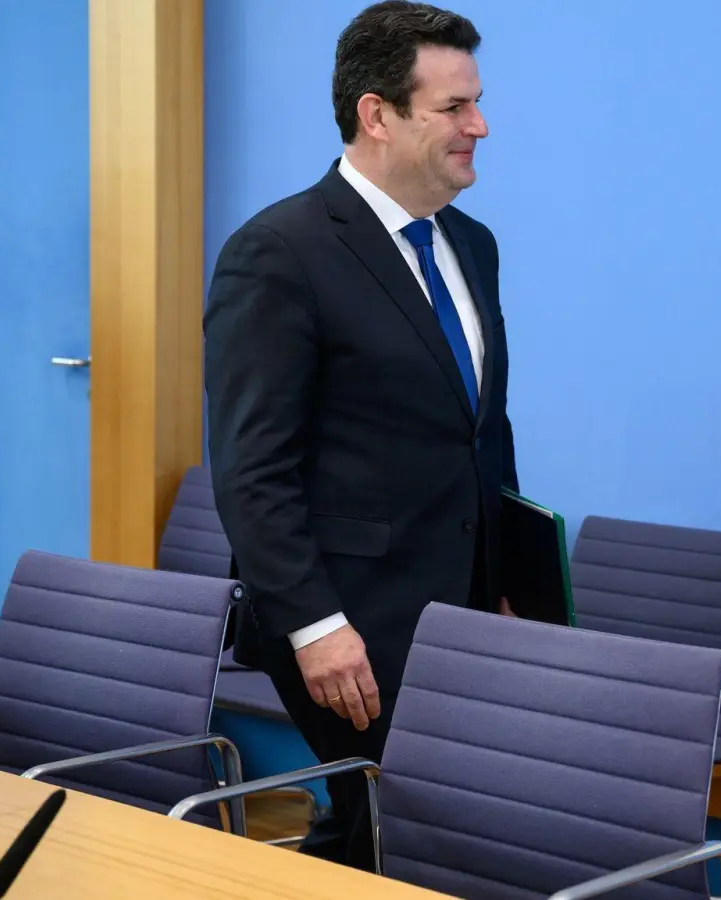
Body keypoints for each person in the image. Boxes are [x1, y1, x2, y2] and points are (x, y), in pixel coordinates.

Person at [204, 0, 516, 870]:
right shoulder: (279, 251)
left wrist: (505, 579)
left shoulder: (473, 246)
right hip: (349, 618)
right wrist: (313, 626)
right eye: (454, 108)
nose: (480, 125)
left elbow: (481, 429)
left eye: (477, 102)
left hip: (456, 606)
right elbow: (250, 469)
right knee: (400, 819)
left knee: (380, 822)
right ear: (377, 115)